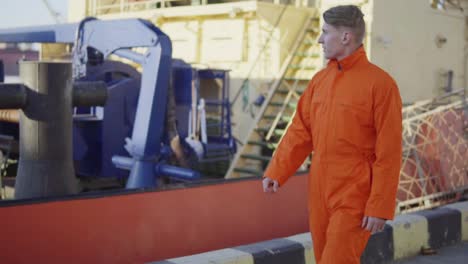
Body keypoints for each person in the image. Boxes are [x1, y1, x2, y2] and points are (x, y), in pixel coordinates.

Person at [262, 5, 402, 264]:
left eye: (325, 32)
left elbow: (389, 151)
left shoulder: (381, 85)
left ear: (346, 37)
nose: (319, 39)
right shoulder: (319, 81)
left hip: (355, 192)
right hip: (319, 189)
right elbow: (300, 131)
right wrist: (277, 171)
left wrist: (380, 205)